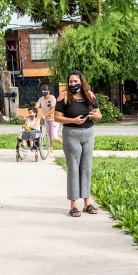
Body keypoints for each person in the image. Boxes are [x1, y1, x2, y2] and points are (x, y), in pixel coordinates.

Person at [54, 71, 102, 217]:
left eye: (75, 81)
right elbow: (57, 117)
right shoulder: (64, 96)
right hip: (71, 135)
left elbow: (99, 114)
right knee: (74, 169)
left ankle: (87, 203)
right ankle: (73, 204)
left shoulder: (90, 95)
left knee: (86, 167)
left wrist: (96, 116)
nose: (73, 84)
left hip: (88, 134)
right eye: (71, 82)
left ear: (82, 81)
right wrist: (73, 120)